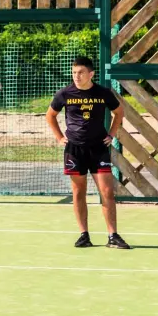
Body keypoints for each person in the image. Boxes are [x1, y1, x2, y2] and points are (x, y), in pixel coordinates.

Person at [46, 56, 129, 249]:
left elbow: (119, 112)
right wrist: (59, 137)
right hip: (74, 150)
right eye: (74, 72)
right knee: (78, 192)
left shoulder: (103, 93)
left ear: (91, 74)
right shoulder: (64, 94)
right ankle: (84, 235)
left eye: (81, 72)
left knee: (107, 191)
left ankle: (113, 236)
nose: (77, 76)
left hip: (98, 148)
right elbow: (50, 116)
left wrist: (111, 134)